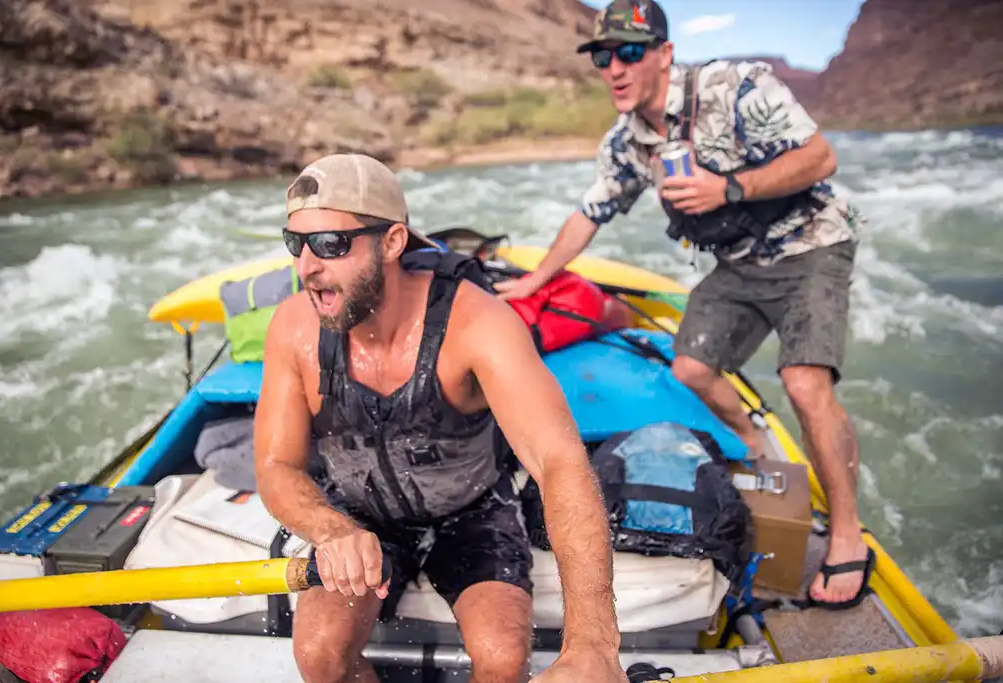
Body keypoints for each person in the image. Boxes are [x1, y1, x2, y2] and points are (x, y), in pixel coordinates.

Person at [495, 0, 872, 610]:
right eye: (602, 55)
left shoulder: (736, 86)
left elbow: (820, 158)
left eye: (630, 51)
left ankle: (849, 532)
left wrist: (727, 187)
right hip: (739, 265)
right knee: (691, 369)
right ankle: (755, 443)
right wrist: (535, 279)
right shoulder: (626, 144)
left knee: (804, 384)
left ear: (665, 54)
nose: (614, 67)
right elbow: (588, 213)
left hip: (812, 245)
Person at [253, 152, 627, 683]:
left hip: (471, 510)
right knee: (318, 654)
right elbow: (275, 466)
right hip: (357, 517)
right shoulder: (292, 330)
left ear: (392, 242)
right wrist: (332, 531)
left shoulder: (477, 322)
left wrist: (594, 645)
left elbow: (559, 461)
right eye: (297, 244)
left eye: (332, 244)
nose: (306, 268)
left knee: (501, 656)